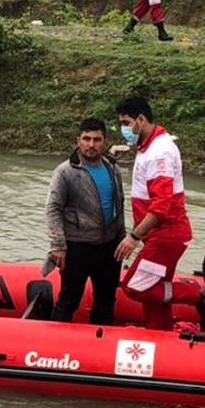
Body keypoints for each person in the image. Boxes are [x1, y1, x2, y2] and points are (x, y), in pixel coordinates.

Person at [113, 96, 205, 331]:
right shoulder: (149, 147)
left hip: (166, 236)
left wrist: (133, 237)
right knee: (155, 288)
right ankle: (159, 332)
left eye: (126, 123)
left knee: (135, 286)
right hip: (160, 235)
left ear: (141, 119)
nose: (123, 129)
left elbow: (161, 205)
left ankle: (197, 295)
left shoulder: (159, 152)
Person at [45, 118, 126, 325]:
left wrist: (123, 237)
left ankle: (100, 347)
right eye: (86, 139)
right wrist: (57, 245)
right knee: (69, 300)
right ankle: (54, 346)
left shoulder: (112, 168)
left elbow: (119, 205)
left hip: (109, 247)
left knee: (106, 301)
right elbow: (53, 209)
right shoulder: (65, 172)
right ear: (78, 140)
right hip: (77, 247)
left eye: (97, 139)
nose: (91, 144)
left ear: (105, 142)